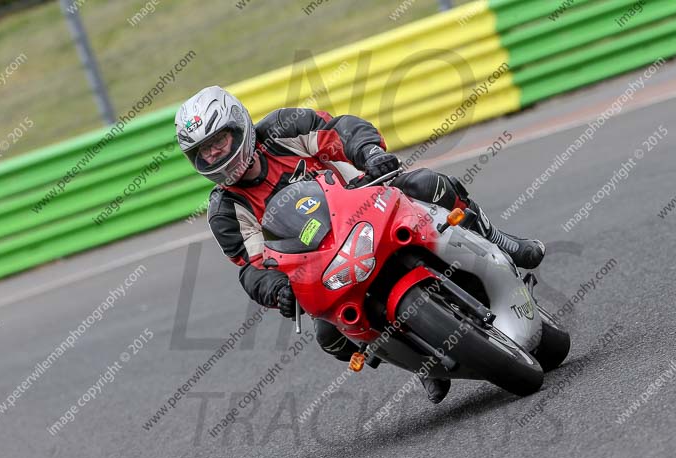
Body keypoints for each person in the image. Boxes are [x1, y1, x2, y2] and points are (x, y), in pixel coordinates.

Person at [175, 86, 545, 404]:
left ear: (239, 126)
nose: (213, 156)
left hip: (368, 203)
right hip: (326, 262)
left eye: (218, 142)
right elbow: (252, 267)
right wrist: (278, 290)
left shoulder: (283, 129)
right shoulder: (226, 211)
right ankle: (421, 357)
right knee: (330, 336)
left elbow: (342, 130)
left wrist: (369, 153)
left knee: (427, 184)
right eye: (203, 152)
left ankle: (500, 241)